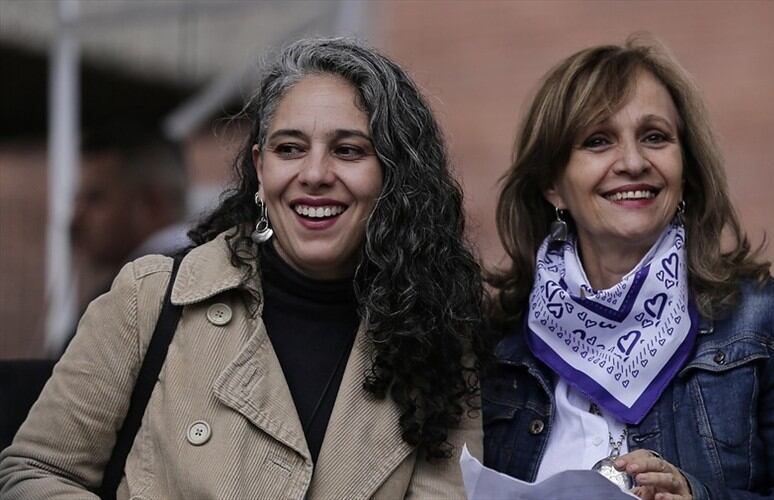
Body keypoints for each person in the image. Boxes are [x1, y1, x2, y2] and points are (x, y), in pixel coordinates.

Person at [0, 38, 484, 499]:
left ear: (393, 176)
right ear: (259, 167)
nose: (314, 174)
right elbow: (36, 471)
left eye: (348, 150)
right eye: (289, 148)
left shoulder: (437, 338)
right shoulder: (147, 298)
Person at [482, 38, 774, 499]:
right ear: (553, 185)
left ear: (686, 170)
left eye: (655, 137)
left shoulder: (768, 323)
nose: (634, 162)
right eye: (598, 141)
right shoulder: (495, 341)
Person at [54, 130, 192, 357]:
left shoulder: (128, 296)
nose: (74, 221)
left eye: (95, 199)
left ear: (151, 205)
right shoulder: (220, 273)